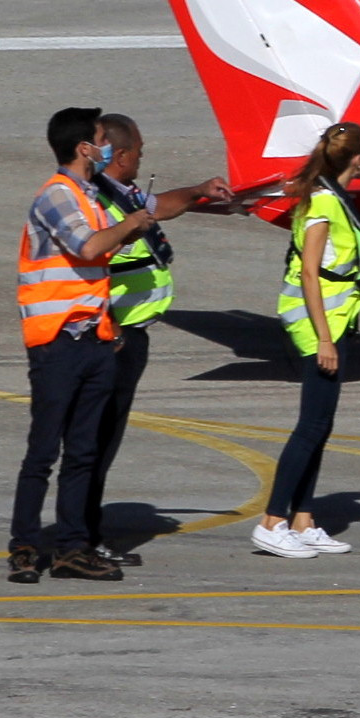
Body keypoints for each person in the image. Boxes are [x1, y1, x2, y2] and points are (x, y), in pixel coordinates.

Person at [9, 106, 157, 585]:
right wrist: (131, 224)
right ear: (84, 148)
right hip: (58, 343)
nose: (106, 146)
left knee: (83, 452)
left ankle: (73, 547)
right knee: (43, 452)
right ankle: (26, 545)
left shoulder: (88, 195)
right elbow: (89, 248)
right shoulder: (57, 195)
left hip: (93, 339)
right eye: (99, 138)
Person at [82, 112, 236, 568]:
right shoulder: (98, 204)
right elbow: (91, 265)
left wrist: (197, 191)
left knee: (103, 439)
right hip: (113, 338)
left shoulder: (118, 194)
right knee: (98, 440)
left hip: (128, 337)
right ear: (123, 156)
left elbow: (160, 205)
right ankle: (83, 538)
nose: (142, 159)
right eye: (140, 153)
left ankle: (83, 532)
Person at [258, 121, 360, 560]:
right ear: (357, 158)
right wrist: (324, 338)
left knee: (321, 425)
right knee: (310, 425)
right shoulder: (324, 203)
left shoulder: (334, 198)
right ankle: (272, 520)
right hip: (318, 324)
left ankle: (303, 519)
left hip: (337, 320)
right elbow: (309, 272)